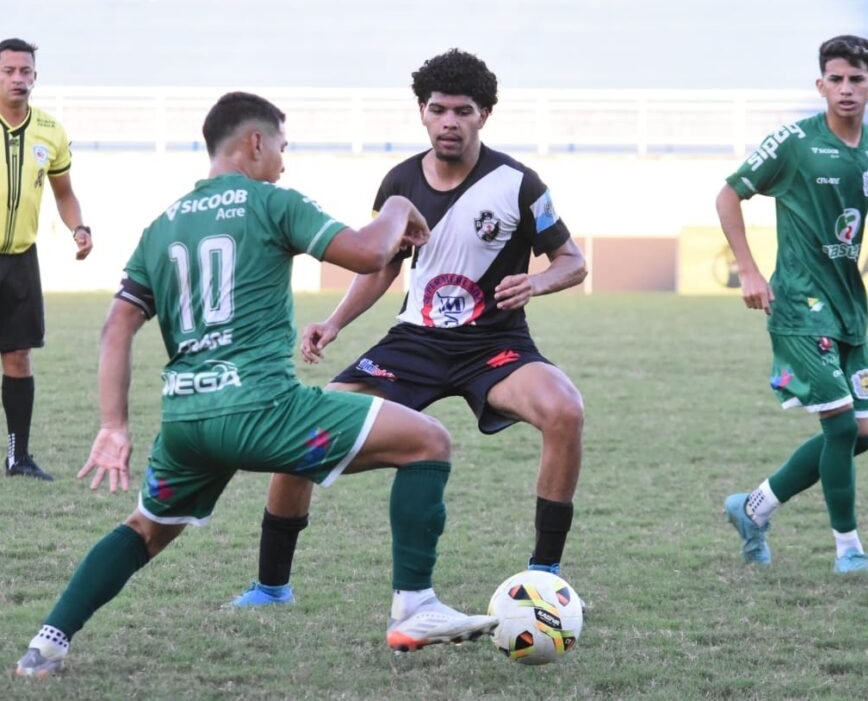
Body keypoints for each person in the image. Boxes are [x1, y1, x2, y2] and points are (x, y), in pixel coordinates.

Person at [14, 91, 498, 677]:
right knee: (429, 442)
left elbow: (117, 326)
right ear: (255, 142)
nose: (284, 163)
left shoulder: (162, 225)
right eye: (282, 148)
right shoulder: (272, 202)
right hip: (265, 410)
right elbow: (371, 253)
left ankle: (47, 644)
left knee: (144, 531)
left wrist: (114, 425)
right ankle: (415, 606)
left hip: (188, 422)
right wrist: (399, 204)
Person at [231, 48, 587, 608]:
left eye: (463, 111)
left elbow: (573, 261)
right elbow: (383, 266)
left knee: (564, 410)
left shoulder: (519, 184)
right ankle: (271, 587)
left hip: (495, 346)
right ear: (422, 112)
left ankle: (545, 577)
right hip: (413, 344)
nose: (449, 122)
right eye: (438, 109)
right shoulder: (399, 182)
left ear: (484, 115)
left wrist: (537, 283)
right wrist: (335, 321)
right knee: (303, 432)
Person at [718, 34, 868, 574]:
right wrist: (749, 270)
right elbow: (729, 194)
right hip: (800, 305)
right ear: (820, 84)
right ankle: (849, 550)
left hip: (851, 307)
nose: (846, 88)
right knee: (842, 427)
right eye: (836, 79)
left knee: (862, 431)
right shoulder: (795, 142)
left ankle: (753, 508)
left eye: (856, 78)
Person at [1, 38, 93, 481]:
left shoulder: (50, 131)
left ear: (35, 77)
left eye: (25, 71)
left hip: (20, 259)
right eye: (8, 71)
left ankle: (18, 457)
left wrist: (79, 228)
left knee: (18, 356)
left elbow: (64, 193)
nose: (18, 79)